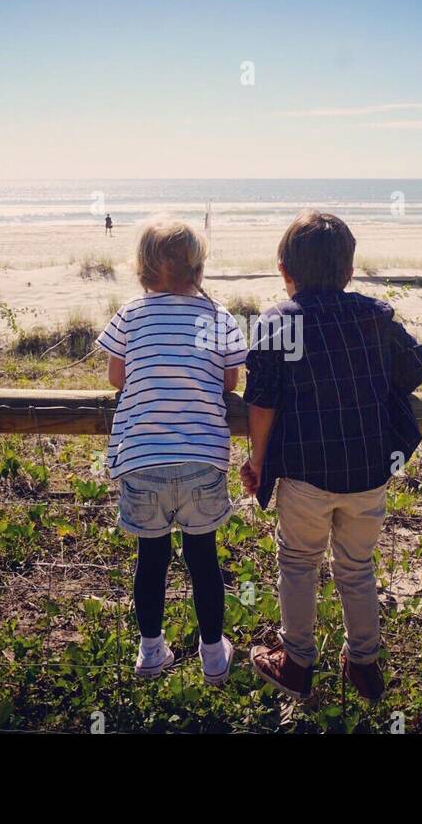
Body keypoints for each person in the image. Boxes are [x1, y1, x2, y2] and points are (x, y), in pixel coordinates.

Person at [241, 210, 422, 702]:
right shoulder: (375, 316)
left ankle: (297, 661)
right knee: (357, 565)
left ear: (284, 269)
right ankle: (364, 663)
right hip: (369, 471)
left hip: (305, 476)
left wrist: (257, 460)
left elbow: (261, 401)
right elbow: (417, 367)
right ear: (349, 269)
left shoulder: (276, 323)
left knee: (298, 562)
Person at [96, 216, 248, 684]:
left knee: (152, 559)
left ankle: (150, 651)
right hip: (201, 457)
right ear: (198, 271)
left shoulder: (130, 315)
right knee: (203, 558)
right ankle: (213, 655)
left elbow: (116, 378)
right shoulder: (218, 318)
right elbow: (230, 381)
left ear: (142, 270)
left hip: (143, 460)